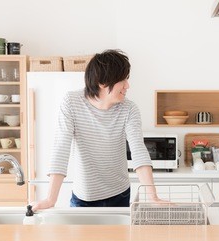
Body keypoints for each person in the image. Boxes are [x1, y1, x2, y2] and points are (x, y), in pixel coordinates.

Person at [32, 49, 159, 210]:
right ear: (102, 82)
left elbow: (138, 151)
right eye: (122, 80)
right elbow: (61, 149)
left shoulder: (129, 109)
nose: (128, 85)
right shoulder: (71, 102)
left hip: (119, 194)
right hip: (83, 197)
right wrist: (50, 199)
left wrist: (153, 197)